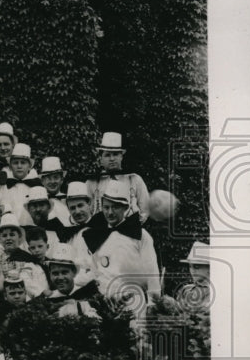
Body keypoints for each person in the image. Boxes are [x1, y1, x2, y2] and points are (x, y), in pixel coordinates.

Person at [84, 179, 160, 308]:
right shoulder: (97, 235)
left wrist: (153, 303)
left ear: (126, 207)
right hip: (105, 302)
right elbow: (95, 270)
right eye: (106, 207)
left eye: (115, 207)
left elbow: (151, 271)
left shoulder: (141, 235)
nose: (110, 212)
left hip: (135, 302)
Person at [86, 132, 151, 221]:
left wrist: (135, 225)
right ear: (101, 159)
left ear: (121, 157)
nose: (112, 159)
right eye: (107, 155)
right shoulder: (92, 182)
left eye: (115, 154)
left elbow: (145, 209)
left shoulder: (134, 179)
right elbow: (86, 210)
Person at [0, 213, 48, 298]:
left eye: (12, 235)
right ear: (0, 239)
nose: (8, 238)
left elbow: (39, 284)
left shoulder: (28, 259)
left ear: (19, 237)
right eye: (4, 236)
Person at [176, 240, 212, 311]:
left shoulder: (214, 292)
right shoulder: (186, 290)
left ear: (209, 268)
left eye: (197, 267)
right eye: (190, 266)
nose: (192, 271)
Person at [38, 156, 71, 226]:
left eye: (56, 177)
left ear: (62, 180)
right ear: (42, 181)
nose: (52, 181)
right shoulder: (38, 202)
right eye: (48, 178)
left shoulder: (68, 200)